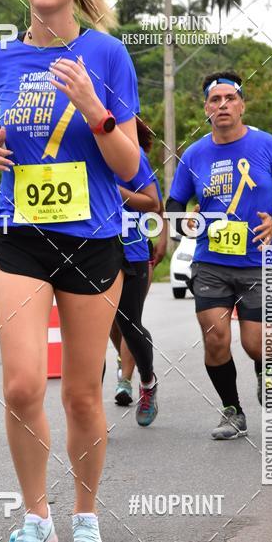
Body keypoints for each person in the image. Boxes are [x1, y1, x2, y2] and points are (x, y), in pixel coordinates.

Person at [0, 0, 140, 542]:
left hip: (94, 241)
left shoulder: (106, 55)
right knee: (20, 385)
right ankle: (34, 518)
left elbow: (128, 164)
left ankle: (86, 516)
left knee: (80, 395)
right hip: (21, 237)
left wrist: (95, 109)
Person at [167, 71, 272, 439]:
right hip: (211, 261)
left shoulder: (266, 146)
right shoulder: (194, 154)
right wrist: (185, 221)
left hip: (259, 262)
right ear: (206, 109)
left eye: (230, 98)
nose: (223, 105)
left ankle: (265, 372)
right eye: (215, 100)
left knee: (255, 342)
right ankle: (232, 410)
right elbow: (175, 204)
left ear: (242, 105)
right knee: (215, 339)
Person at [112, 116, 165, 426]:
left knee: (129, 324)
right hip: (90, 250)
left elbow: (152, 202)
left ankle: (146, 381)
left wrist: (113, 189)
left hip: (130, 251)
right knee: (95, 329)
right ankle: (88, 407)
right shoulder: (78, 151)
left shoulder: (132, 155)